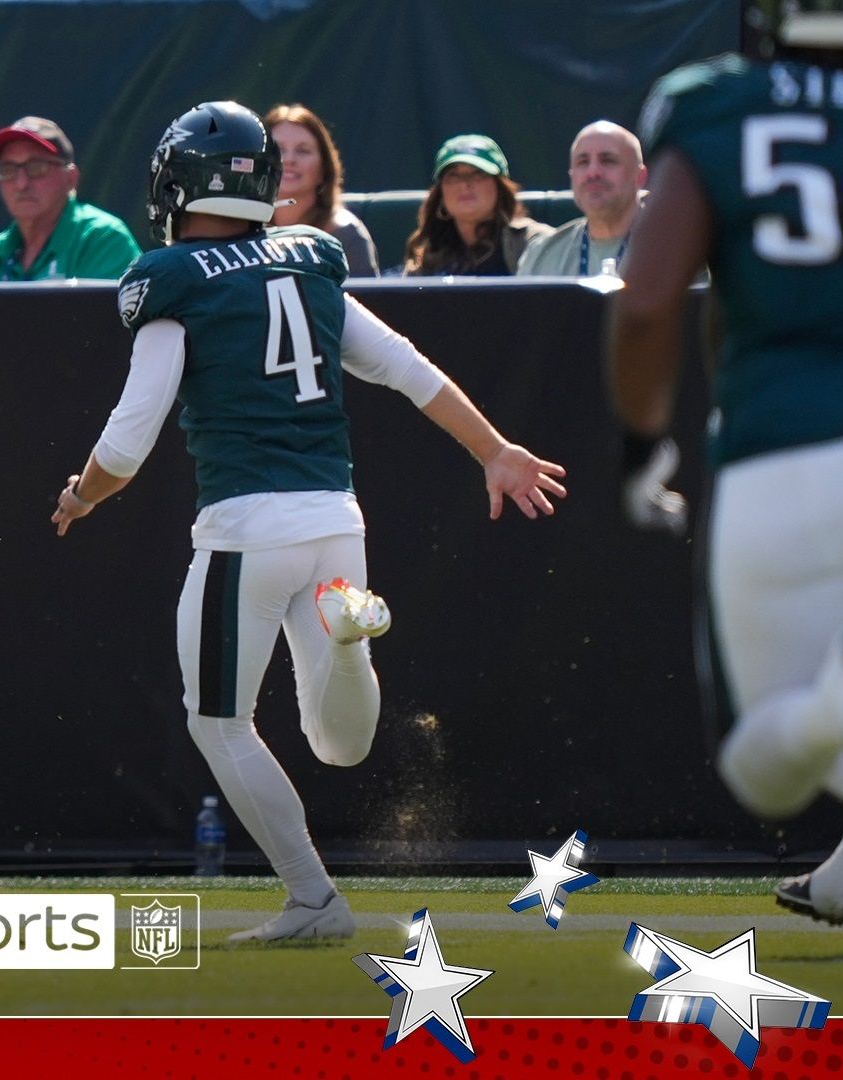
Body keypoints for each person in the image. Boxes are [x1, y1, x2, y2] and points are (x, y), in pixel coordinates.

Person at [52, 101, 565, 942]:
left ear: (183, 183)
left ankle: (314, 901)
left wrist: (82, 495)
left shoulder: (175, 278)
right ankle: (351, 639)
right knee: (339, 744)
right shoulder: (308, 265)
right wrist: (495, 448)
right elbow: (406, 368)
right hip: (337, 523)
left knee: (218, 721)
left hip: (246, 532)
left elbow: (128, 437)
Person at [608, 0, 843, 988]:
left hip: (780, 453)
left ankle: (840, 707)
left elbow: (650, 299)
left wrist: (640, 446)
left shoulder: (716, 105)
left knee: (765, 762)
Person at [0, 116, 140, 281]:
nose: (21, 184)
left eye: (36, 167)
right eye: (8, 170)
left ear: (71, 178)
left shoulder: (104, 239)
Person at [403, 134, 553, 276]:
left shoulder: (534, 242)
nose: (465, 184)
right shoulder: (425, 254)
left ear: (500, 187)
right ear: (440, 193)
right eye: (453, 176)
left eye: (478, 174)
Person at [517, 121, 648, 277]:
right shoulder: (540, 256)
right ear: (572, 177)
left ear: (640, 177)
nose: (593, 172)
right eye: (583, 162)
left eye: (608, 160)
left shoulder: (677, 248)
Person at [264, 104, 377, 276]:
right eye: (278, 149)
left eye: (303, 151)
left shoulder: (346, 235)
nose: (288, 159)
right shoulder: (240, 228)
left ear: (324, 168)